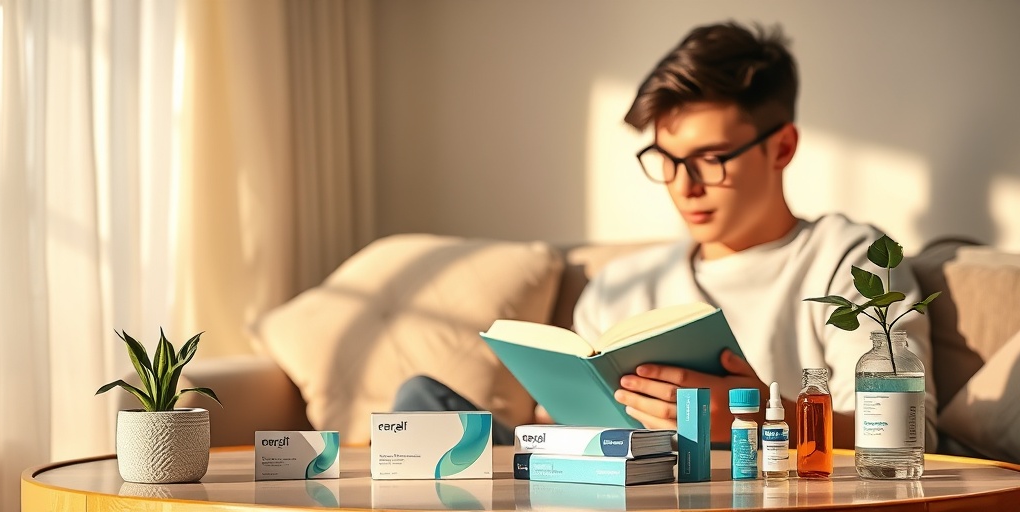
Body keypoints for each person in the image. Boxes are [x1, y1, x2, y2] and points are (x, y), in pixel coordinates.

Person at [395, 20, 937, 451]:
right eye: (667, 160)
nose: (684, 186)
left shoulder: (850, 258)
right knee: (421, 402)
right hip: (605, 477)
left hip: (729, 483)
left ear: (782, 148)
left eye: (711, 158)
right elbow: (556, 425)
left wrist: (760, 419)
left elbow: (907, 434)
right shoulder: (622, 284)